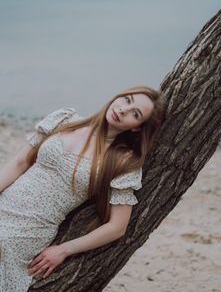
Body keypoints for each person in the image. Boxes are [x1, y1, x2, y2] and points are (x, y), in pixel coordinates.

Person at [0, 85, 165, 292]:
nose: (124, 109)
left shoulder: (122, 162)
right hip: (5, 202)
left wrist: (63, 250)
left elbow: (117, 227)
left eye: (135, 113)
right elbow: (20, 163)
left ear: (137, 128)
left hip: (29, 229)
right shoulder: (65, 119)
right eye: (127, 100)